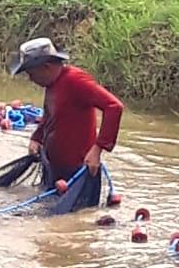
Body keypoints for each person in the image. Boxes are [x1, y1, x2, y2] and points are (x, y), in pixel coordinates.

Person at [10, 37, 124, 187]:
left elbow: (114, 106)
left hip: (78, 170)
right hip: (54, 167)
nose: (31, 79)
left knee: (76, 210)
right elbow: (49, 115)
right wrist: (36, 138)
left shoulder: (76, 81)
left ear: (46, 67)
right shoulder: (51, 84)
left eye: (32, 74)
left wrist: (97, 150)